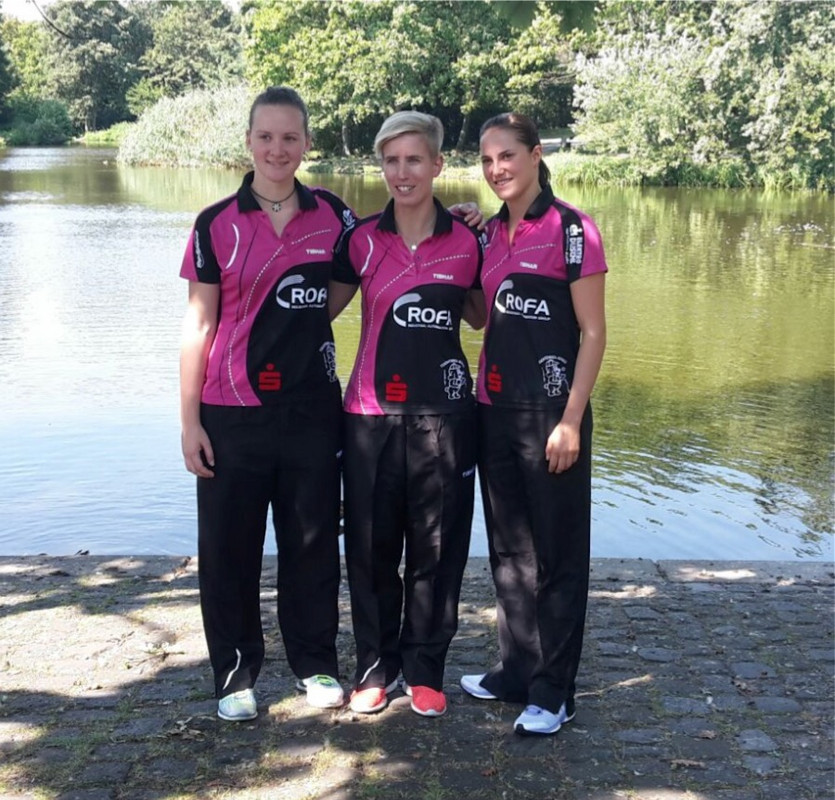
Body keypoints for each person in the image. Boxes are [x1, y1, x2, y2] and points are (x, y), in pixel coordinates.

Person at [179, 86, 356, 721]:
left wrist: (466, 217)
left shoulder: (335, 216)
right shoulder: (214, 223)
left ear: (306, 143)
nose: (277, 149)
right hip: (230, 411)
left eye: (289, 137)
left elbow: (388, 248)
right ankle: (235, 674)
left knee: (311, 543)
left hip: (312, 410)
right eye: (265, 137)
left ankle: (315, 663)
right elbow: (199, 325)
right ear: (249, 141)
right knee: (230, 550)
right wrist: (190, 421)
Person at [328, 111, 485, 718]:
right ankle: (375, 668)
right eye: (391, 161)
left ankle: (425, 669)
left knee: (436, 551)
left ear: (437, 164)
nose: (402, 172)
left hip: (445, 417)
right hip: (369, 415)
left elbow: (482, 318)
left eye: (414, 159)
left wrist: (480, 222)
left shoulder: (468, 240)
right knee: (370, 551)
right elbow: (314, 311)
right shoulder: (361, 240)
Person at [460, 112, 607, 736]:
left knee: (557, 557)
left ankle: (555, 691)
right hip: (493, 411)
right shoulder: (490, 234)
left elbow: (593, 333)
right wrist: (456, 235)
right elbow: (476, 316)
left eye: (507, 156)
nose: (497, 169)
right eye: (487, 159)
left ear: (536, 154)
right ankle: (516, 671)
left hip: (552, 415)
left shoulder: (573, 229)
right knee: (510, 554)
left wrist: (570, 419)